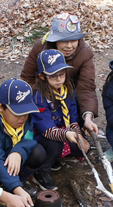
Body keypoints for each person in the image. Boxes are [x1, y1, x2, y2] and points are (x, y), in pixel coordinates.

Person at [0, 79, 46, 205]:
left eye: (26, 112)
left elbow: (28, 138)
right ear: (0, 107)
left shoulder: (25, 118)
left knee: (38, 153)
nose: (23, 117)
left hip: (10, 155)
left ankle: (16, 183)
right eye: (17, 113)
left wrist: (18, 152)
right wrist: (17, 189)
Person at [20, 13, 99, 133]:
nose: (69, 46)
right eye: (63, 41)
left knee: (75, 97)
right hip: (43, 93)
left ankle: (77, 126)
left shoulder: (85, 52)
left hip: (69, 95)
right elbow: (27, 79)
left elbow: (86, 87)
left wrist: (88, 116)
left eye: (73, 40)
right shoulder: (41, 47)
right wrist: (45, 94)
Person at [31, 49, 90, 191]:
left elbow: (73, 118)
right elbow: (46, 129)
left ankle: (54, 158)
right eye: (53, 76)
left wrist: (79, 135)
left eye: (61, 75)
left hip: (63, 129)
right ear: (42, 76)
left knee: (82, 148)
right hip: (41, 135)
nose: (59, 79)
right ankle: (41, 172)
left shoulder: (66, 90)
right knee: (55, 145)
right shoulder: (39, 98)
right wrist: (66, 135)